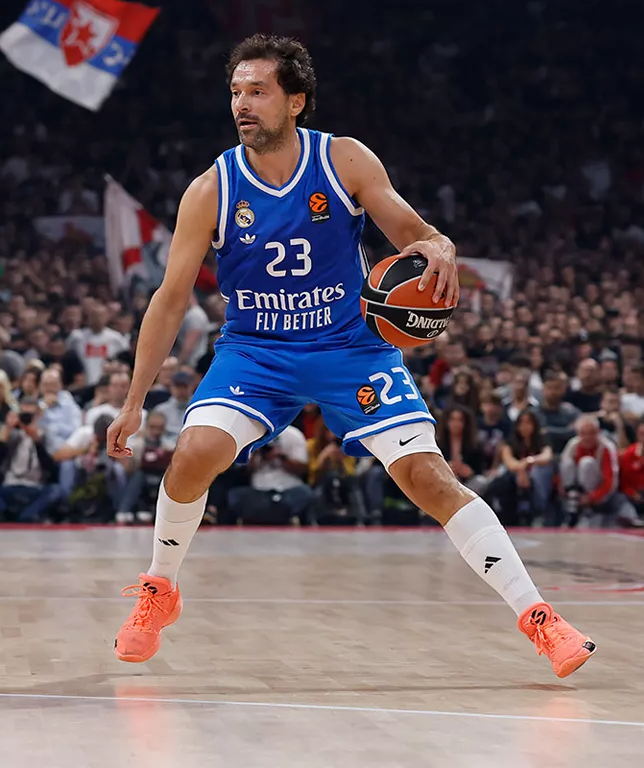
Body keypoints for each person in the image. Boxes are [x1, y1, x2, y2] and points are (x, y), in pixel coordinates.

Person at [104, 35, 594, 678]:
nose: (242, 105)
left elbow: (416, 233)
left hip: (350, 348)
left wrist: (439, 244)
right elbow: (169, 301)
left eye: (257, 92)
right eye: (235, 92)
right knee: (194, 454)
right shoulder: (211, 189)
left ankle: (539, 618)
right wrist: (135, 401)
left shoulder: (344, 161)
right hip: (257, 351)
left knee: (428, 479)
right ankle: (159, 589)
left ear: (295, 100)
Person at [491, 410, 554, 526]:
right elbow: (509, 462)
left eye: (528, 423)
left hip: (535, 478)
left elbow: (547, 456)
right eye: (522, 423)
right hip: (515, 477)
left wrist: (529, 461)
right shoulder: (510, 442)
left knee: (540, 471)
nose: (525, 427)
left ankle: (539, 511)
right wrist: (521, 469)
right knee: (504, 474)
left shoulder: (542, 440)